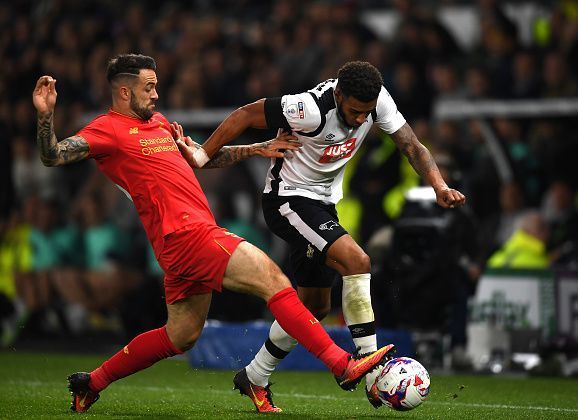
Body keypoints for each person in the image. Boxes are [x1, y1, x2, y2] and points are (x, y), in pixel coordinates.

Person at [31, 54, 394, 414]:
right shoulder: (106, 129)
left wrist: (256, 149)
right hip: (187, 235)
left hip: (179, 244)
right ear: (124, 92)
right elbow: (54, 155)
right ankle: (341, 365)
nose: (157, 94)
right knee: (274, 280)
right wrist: (46, 116)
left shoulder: (158, 123)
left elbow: (200, 159)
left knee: (180, 335)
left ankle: (90, 384)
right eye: (149, 87)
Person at [176, 61, 466, 411]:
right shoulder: (309, 109)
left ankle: (254, 375)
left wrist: (439, 185)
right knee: (357, 260)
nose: (362, 120)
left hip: (323, 205)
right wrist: (202, 153)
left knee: (314, 306)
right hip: (287, 199)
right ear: (339, 95)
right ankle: (371, 369)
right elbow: (245, 114)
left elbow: (412, 145)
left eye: (367, 114)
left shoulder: (378, 101)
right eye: (355, 112)